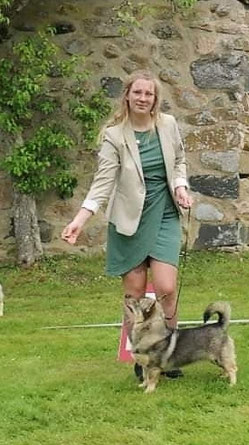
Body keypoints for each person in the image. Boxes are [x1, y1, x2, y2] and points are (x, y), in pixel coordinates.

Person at [61, 70, 193, 380]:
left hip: (164, 214)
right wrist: (79, 220)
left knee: (166, 287)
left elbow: (179, 162)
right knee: (134, 294)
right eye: (137, 93)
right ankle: (141, 356)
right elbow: (103, 183)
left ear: (155, 99)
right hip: (128, 222)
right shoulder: (114, 135)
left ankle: (168, 353)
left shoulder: (169, 125)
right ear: (127, 96)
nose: (143, 98)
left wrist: (181, 187)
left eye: (149, 94)